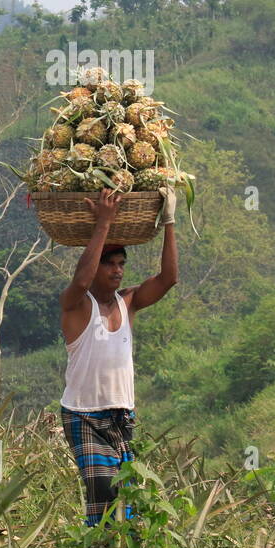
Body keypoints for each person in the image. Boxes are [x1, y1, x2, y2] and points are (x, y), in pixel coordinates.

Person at [59, 187, 179, 526]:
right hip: (83, 416)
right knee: (101, 488)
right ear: (95, 266)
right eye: (109, 264)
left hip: (122, 417)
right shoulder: (77, 305)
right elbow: (81, 281)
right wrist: (104, 223)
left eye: (121, 264)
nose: (117, 271)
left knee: (125, 501)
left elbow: (169, 278)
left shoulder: (129, 302)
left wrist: (169, 220)